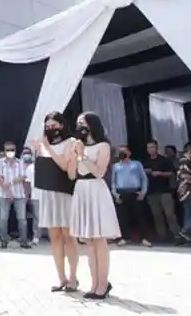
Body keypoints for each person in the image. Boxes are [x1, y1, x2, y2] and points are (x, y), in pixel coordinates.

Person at [68, 112, 120, 300]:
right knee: (88, 241)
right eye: (78, 123)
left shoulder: (103, 146)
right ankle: (94, 282)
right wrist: (73, 155)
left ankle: (103, 284)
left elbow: (99, 172)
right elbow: (72, 174)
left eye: (82, 123)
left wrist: (83, 155)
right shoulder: (78, 145)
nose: (80, 126)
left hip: (96, 189)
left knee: (99, 239)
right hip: (81, 188)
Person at [33, 111, 79, 293]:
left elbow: (65, 165)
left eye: (54, 125)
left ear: (62, 125)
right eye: (48, 126)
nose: (51, 129)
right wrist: (41, 149)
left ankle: (73, 278)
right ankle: (61, 278)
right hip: (48, 194)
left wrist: (48, 149)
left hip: (64, 193)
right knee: (55, 236)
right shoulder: (44, 144)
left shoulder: (71, 142)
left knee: (69, 236)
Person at [111, 145, 151, 247]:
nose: (122, 153)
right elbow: (113, 182)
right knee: (123, 217)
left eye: (124, 151)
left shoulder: (137, 164)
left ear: (129, 153)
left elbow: (144, 178)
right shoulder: (116, 166)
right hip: (121, 193)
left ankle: (144, 238)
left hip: (135, 192)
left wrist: (143, 192)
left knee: (140, 216)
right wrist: (116, 195)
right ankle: (125, 238)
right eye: (120, 152)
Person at [0, 141, 31, 249]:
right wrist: (9, 191)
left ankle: (23, 241)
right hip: (4, 195)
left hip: (19, 194)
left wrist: (13, 182)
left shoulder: (20, 163)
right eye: (8, 150)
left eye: (12, 150)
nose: (10, 152)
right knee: (3, 218)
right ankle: (4, 240)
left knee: (22, 219)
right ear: (4, 151)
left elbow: (23, 177)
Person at [143, 139, 180, 242]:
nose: (150, 149)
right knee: (157, 215)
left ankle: (177, 235)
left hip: (165, 191)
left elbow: (172, 173)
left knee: (169, 214)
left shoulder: (164, 160)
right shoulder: (145, 161)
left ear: (157, 148)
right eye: (148, 148)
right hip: (151, 191)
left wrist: (159, 173)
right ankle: (162, 236)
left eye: (152, 147)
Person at [22, 147, 43, 245]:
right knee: (37, 217)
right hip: (36, 196)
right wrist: (27, 197)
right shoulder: (30, 168)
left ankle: (52, 236)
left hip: (48, 196)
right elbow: (27, 184)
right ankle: (36, 237)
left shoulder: (48, 167)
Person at [177, 155, 191, 242]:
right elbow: (187, 177)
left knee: (188, 214)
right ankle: (185, 231)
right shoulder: (184, 163)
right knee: (188, 213)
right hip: (188, 192)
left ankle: (185, 236)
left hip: (185, 193)